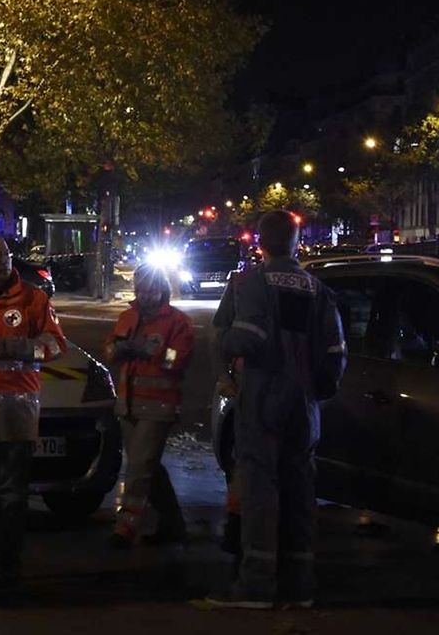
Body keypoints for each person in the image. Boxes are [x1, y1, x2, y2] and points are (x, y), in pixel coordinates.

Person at [208, 210, 347, 610]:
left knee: (260, 490)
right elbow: (335, 354)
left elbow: (244, 338)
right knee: (301, 489)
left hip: (264, 395)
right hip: (304, 405)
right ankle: (299, 584)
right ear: (296, 241)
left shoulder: (249, 283)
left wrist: (228, 364)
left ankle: (256, 585)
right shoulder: (316, 289)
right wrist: (317, 389)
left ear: (261, 243)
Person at [0, 234, 66, 589]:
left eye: (6, 255)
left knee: (11, 492)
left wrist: (18, 346)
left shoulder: (33, 299)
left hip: (17, 411)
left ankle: (6, 567)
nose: (4, 261)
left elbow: (55, 346)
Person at [104, 265, 194, 548]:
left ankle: (126, 528)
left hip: (158, 407)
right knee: (148, 468)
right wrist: (118, 349)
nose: (145, 295)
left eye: (151, 289)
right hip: (128, 406)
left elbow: (176, 360)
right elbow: (109, 350)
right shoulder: (128, 317)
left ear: (162, 289)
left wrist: (152, 351)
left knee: (139, 470)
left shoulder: (178, 322)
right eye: (140, 289)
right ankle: (173, 524)